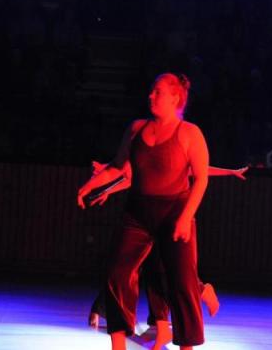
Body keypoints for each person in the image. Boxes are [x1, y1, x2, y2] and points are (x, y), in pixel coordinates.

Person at [77, 73, 209, 350]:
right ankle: (118, 344)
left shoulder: (189, 133)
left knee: (182, 282)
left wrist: (186, 218)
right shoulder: (136, 128)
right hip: (137, 212)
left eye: (157, 92)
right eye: (151, 91)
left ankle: (186, 345)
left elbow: (201, 179)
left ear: (175, 98)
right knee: (116, 272)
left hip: (174, 211)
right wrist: (89, 186)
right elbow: (117, 166)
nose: (150, 96)